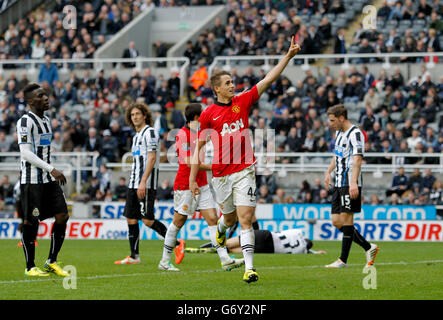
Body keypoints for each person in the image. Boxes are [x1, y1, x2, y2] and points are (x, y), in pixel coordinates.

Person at [189, 37, 301, 283]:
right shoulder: (208, 114)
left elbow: (268, 79)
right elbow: (197, 148)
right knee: (228, 219)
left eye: (232, 82)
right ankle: (220, 231)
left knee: (245, 218)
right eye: (228, 83)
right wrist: (192, 179)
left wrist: (288, 57)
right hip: (221, 175)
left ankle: (249, 268)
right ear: (216, 88)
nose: (233, 85)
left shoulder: (242, 101)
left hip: (245, 170)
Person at [158, 103, 244, 271]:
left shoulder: (200, 133)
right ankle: (164, 261)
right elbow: (188, 161)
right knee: (178, 221)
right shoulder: (183, 134)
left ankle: (225, 259)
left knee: (213, 219)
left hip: (202, 184)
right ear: (197, 117)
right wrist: (215, 167)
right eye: (204, 114)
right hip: (185, 185)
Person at [114, 102, 183, 265]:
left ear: (145, 115)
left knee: (147, 220)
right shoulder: (136, 135)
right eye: (132, 115)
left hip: (145, 183)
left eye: (138, 114)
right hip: (133, 183)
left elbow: (152, 158)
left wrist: (143, 181)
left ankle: (178, 244)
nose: (135, 117)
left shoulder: (150, 132)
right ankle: (134, 256)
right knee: (131, 218)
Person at [17, 82, 69, 276]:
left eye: (46, 95)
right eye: (40, 96)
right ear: (31, 101)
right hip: (31, 180)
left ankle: (51, 261)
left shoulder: (46, 120)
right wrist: (52, 168)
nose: (46, 98)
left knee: (63, 215)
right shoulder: (25, 122)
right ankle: (30, 266)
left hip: (48, 179)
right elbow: (26, 153)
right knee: (32, 221)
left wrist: (50, 170)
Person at [323, 104, 379, 269]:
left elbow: (358, 159)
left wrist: (353, 182)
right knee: (336, 221)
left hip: (349, 182)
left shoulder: (356, 134)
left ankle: (342, 260)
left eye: (333, 120)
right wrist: (328, 172)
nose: (330, 123)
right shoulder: (339, 133)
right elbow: (337, 155)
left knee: (347, 220)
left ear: (342, 118)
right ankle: (369, 247)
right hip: (339, 182)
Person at [187, 229, 326, 255]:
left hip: (266, 236)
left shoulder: (298, 232)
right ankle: (204, 251)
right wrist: (316, 252)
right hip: (267, 249)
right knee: (232, 250)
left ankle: (197, 248)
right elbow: (308, 250)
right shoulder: (302, 251)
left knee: (228, 243)